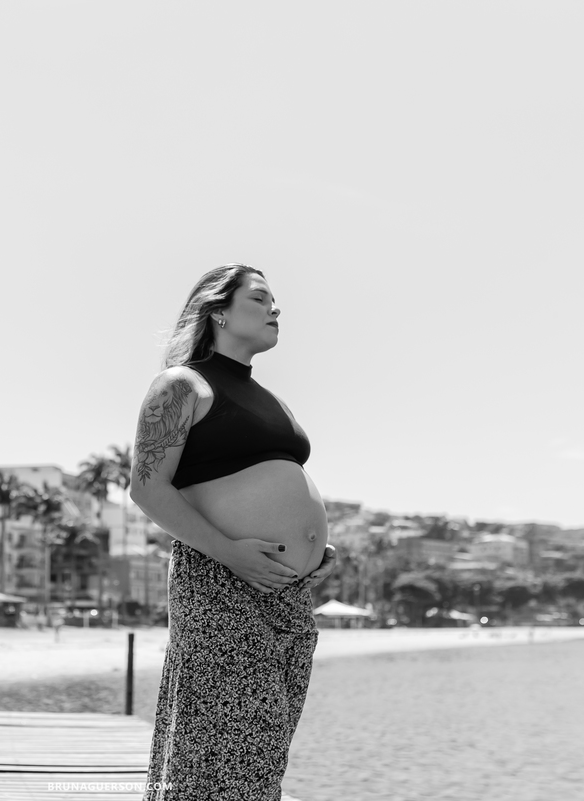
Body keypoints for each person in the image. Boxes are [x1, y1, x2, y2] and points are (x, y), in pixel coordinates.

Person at [131, 264, 337, 800]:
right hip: (219, 580)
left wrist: (312, 551)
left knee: (264, 749)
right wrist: (229, 551)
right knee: (219, 747)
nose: (275, 309)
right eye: (260, 298)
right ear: (217, 310)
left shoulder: (270, 399)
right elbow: (148, 489)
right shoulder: (182, 385)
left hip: (286, 592)